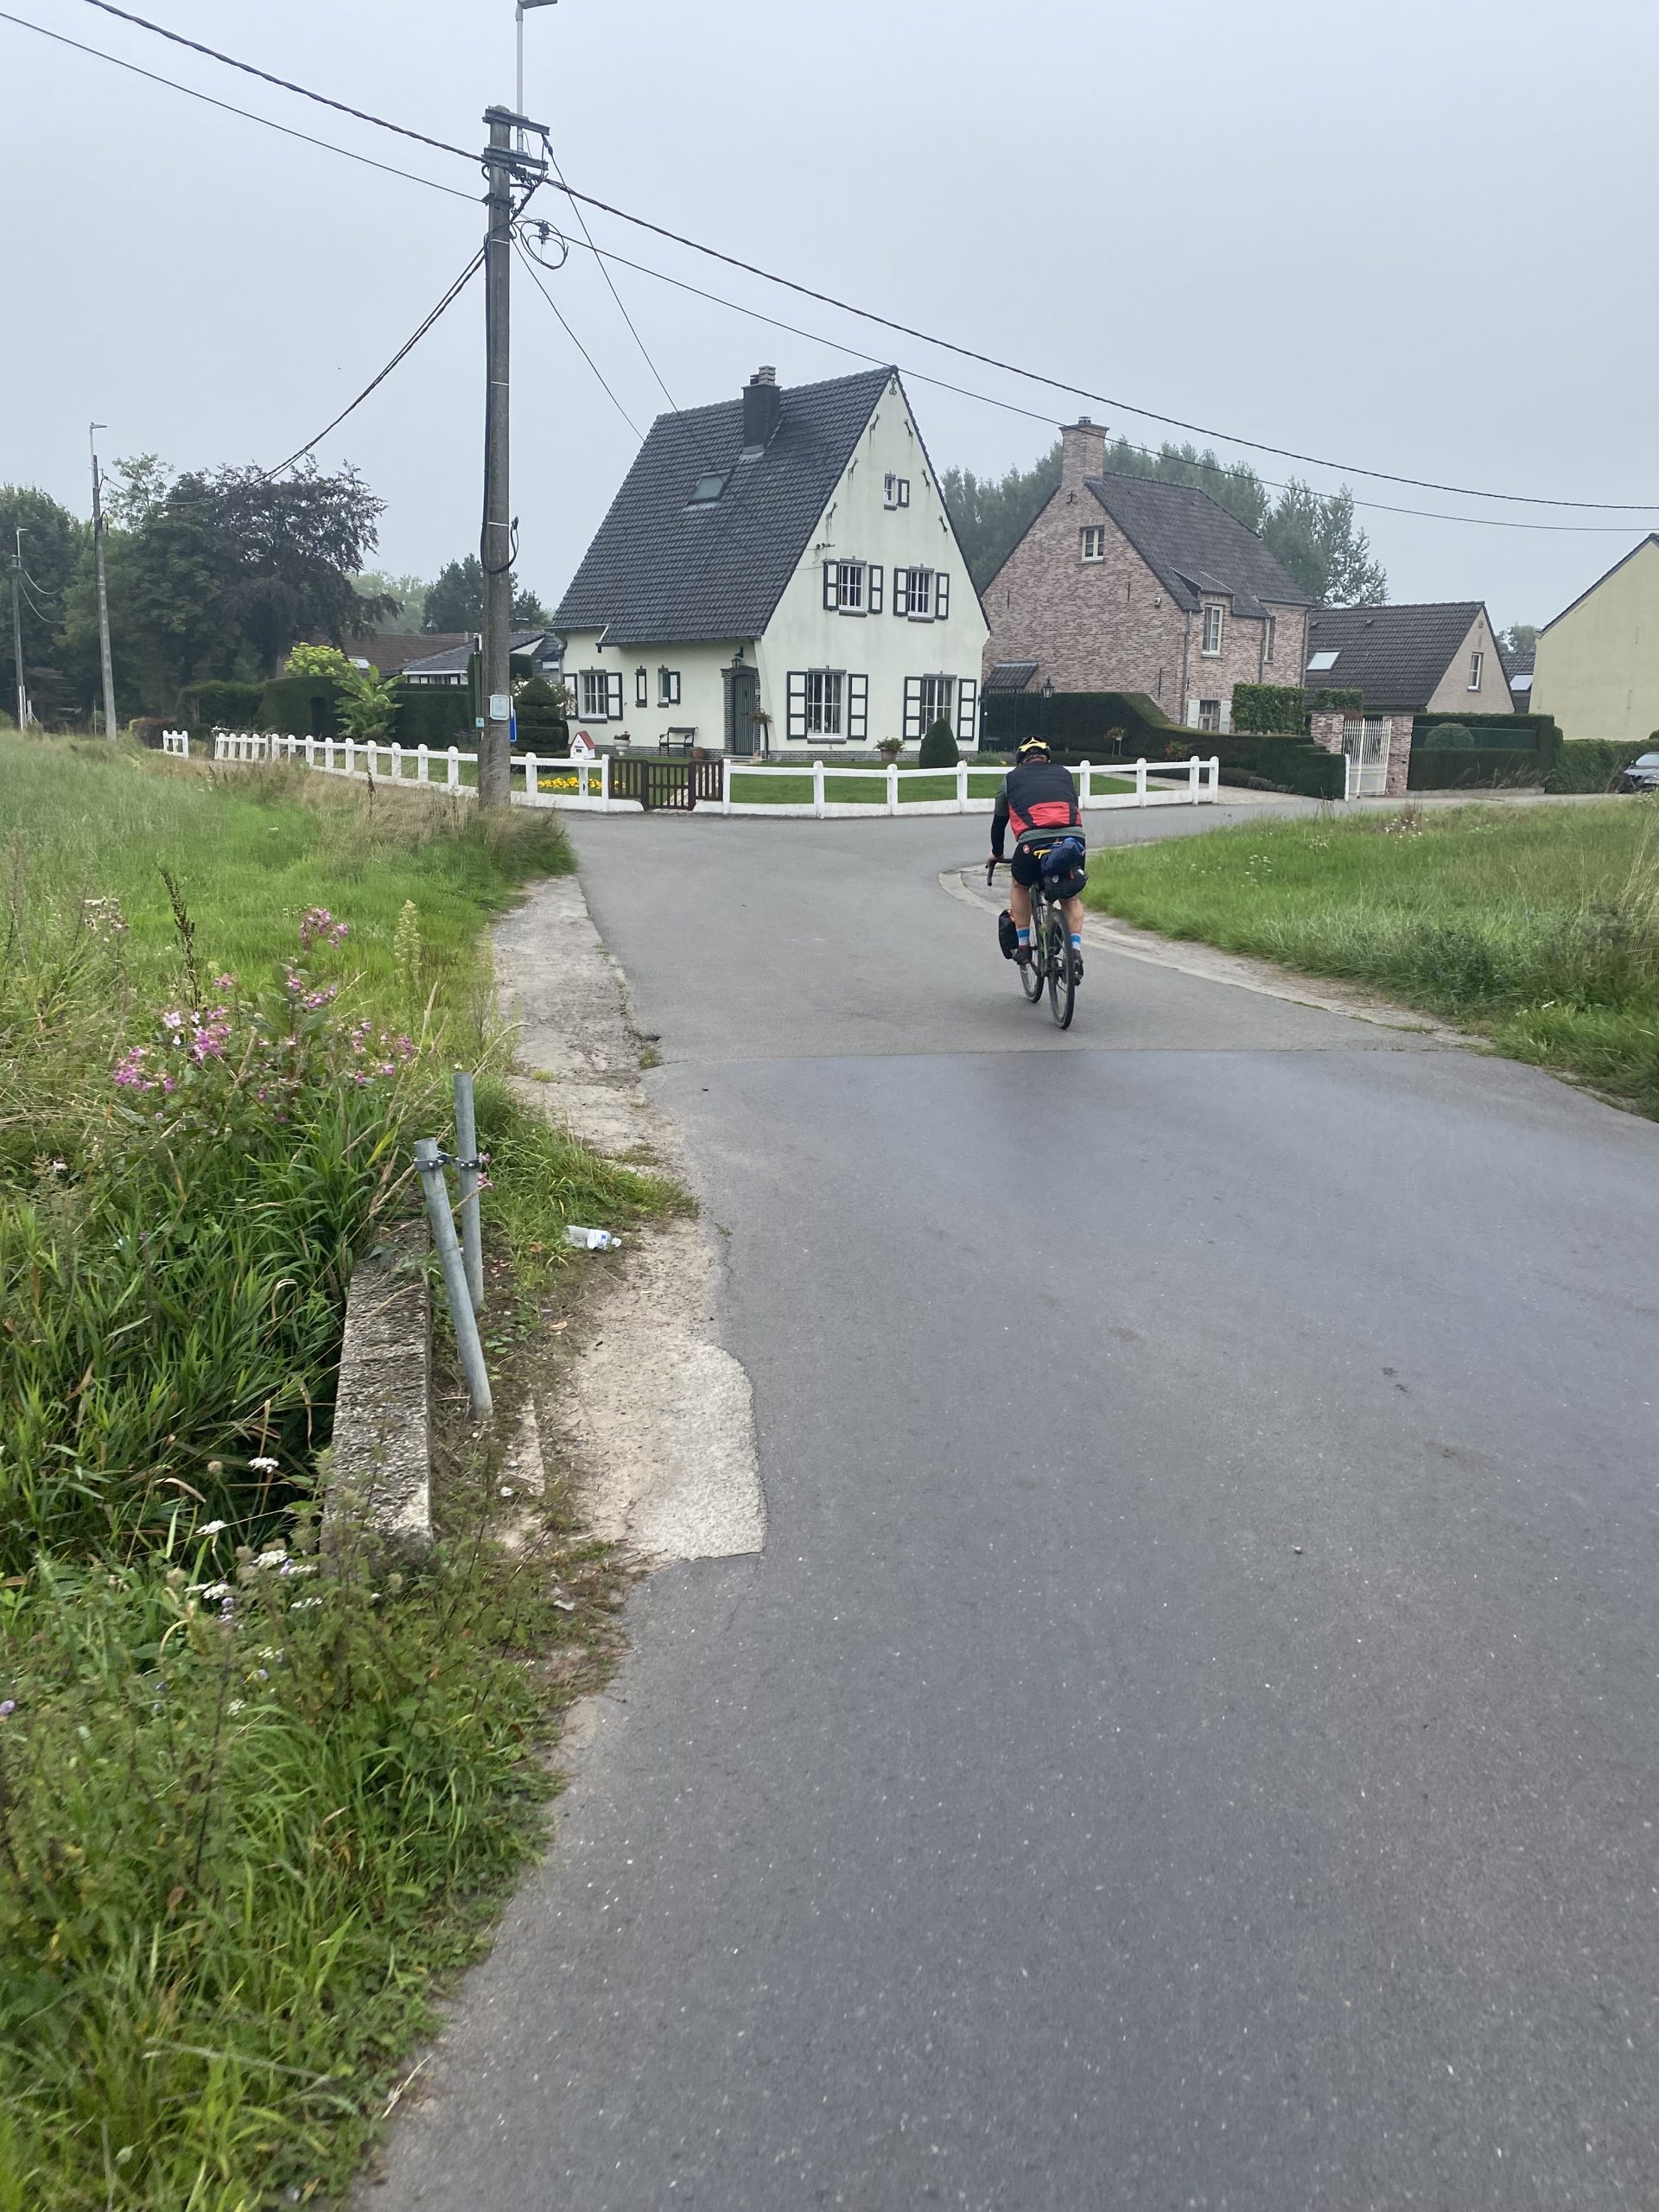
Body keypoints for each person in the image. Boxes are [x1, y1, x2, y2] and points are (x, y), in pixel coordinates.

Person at [989, 735, 1087, 977]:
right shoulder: (1064, 774)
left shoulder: (1010, 779)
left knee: (1020, 885)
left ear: (1021, 759)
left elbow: (999, 822)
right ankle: (1075, 951)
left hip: (1032, 845)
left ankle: (1024, 946)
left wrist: (996, 853)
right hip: (1071, 842)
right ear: (1047, 757)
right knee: (1070, 897)